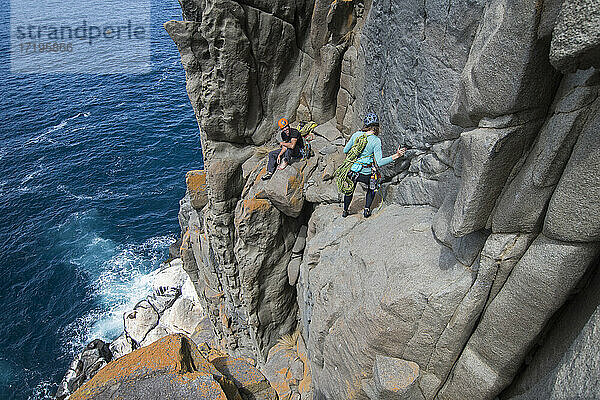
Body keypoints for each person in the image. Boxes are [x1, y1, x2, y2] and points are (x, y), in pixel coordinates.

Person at [341, 113, 406, 218]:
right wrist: (396, 155)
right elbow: (379, 162)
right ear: (376, 127)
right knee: (372, 187)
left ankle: (345, 211)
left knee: (350, 189)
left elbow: (345, 150)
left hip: (352, 171)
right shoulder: (376, 140)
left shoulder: (356, 135)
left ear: (366, 125)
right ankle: (366, 210)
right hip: (365, 173)